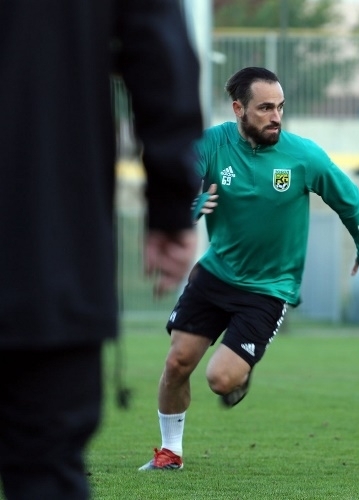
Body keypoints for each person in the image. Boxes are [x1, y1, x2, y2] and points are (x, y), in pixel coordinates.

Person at [139, 66, 359, 471]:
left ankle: (241, 374)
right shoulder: (214, 144)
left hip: (268, 288)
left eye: (280, 107)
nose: (276, 116)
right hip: (215, 274)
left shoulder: (303, 156)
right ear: (238, 109)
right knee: (177, 363)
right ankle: (170, 453)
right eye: (264, 108)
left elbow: (349, 200)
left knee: (220, 380)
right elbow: (178, 179)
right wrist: (184, 207)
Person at [0, 1, 204, 498]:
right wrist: (171, 206)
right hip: (45, 254)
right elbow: (161, 57)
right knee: (45, 469)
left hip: (47, 257)